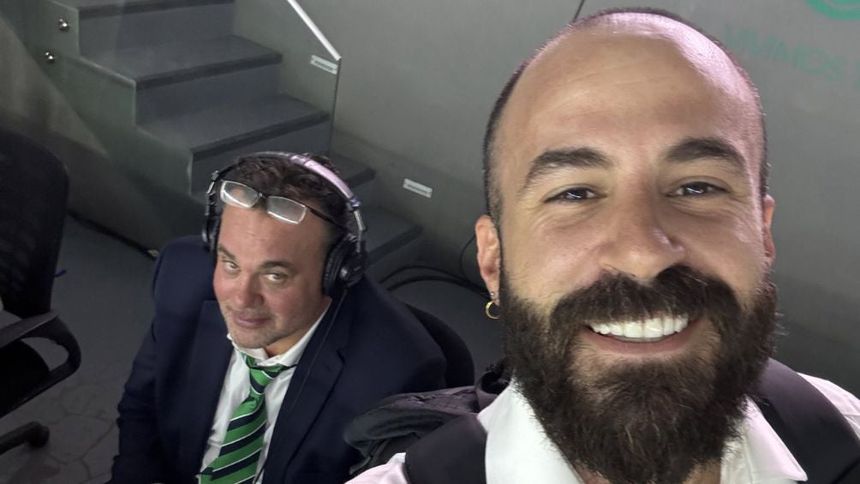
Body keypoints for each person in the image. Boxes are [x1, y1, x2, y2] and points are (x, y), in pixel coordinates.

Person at [348, 8, 860, 484]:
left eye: (697, 187)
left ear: (763, 233)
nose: (643, 256)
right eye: (574, 193)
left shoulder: (845, 428)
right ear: (493, 259)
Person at [110, 152, 448, 484]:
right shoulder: (181, 277)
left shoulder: (395, 372)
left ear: (335, 273)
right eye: (230, 264)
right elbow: (143, 406)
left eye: (275, 276)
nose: (241, 299)